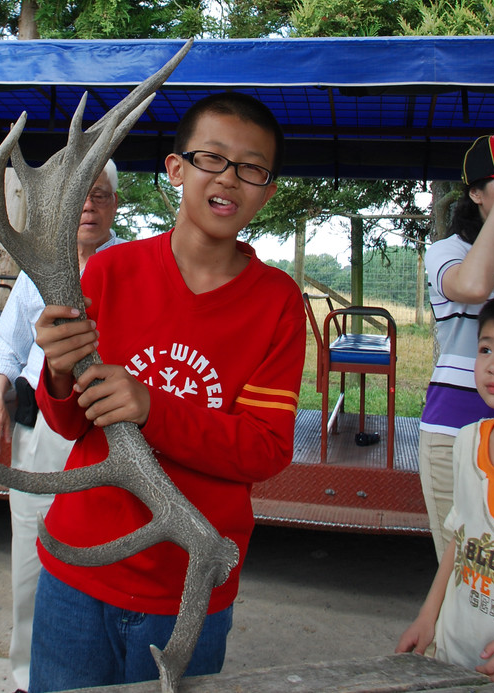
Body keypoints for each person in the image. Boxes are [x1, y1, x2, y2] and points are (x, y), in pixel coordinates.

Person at [29, 92, 306, 692]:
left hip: (191, 584)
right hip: (80, 563)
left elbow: (264, 449)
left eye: (251, 167)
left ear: (268, 189)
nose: (229, 178)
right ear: (175, 168)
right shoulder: (109, 271)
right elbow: (71, 425)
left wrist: (152, 406)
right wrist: (56, 372)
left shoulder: (277, 303)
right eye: (211, 158)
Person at [0, 161, 125, 693]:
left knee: (104, 555)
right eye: (79, 196)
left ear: (115, 206)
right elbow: (9, 345)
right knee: (30, 551)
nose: (90, 204)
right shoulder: (37, 264)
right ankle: (27, 676)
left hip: (108, 431)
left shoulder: (135, 265)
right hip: (41, 427)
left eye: (101, 195)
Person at [396, 293, 494, 679]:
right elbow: (459, 542)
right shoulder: (468, 443)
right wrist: (429, 618)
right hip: (454, 656)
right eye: (486, 348)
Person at [420, 133, 494, 561]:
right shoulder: (448, 252)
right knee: (461, 579)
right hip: (456, 429)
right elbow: (474, 286)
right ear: (476, 192)